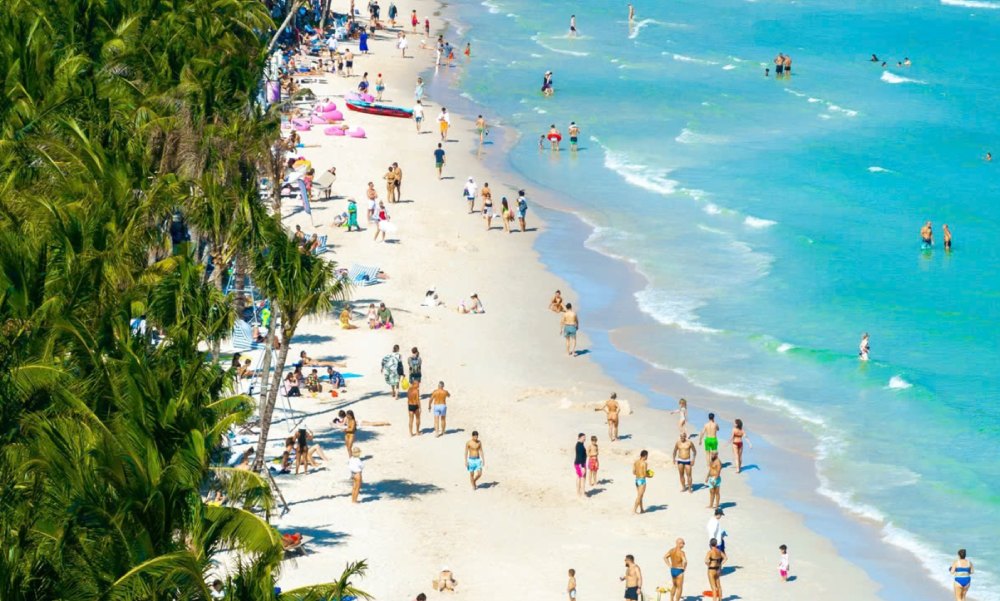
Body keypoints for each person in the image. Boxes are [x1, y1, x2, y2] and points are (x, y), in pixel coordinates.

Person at [633, 450, 648, 514]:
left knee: (640, 495)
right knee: (639, 496)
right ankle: (634, 510)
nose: (647, 457)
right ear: (645, 456)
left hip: (637, 480)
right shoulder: (644, 463)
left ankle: (641, 509)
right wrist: (650, 475)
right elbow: (645, 474)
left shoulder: (636, 462)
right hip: (642, 480)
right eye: (647, 456)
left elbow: (633, 472)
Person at [574, 433, 587, 497]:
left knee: (579, 477)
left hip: (579, 463)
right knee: (582, 478)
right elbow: (580, 456)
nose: (585, 438)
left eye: (585, 437)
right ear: (580, 437)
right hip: (580, 464)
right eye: (583, 437)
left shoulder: (580, 444)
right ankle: (582, 493)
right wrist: (582, 467)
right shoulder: (579, 445)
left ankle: (579, 492)